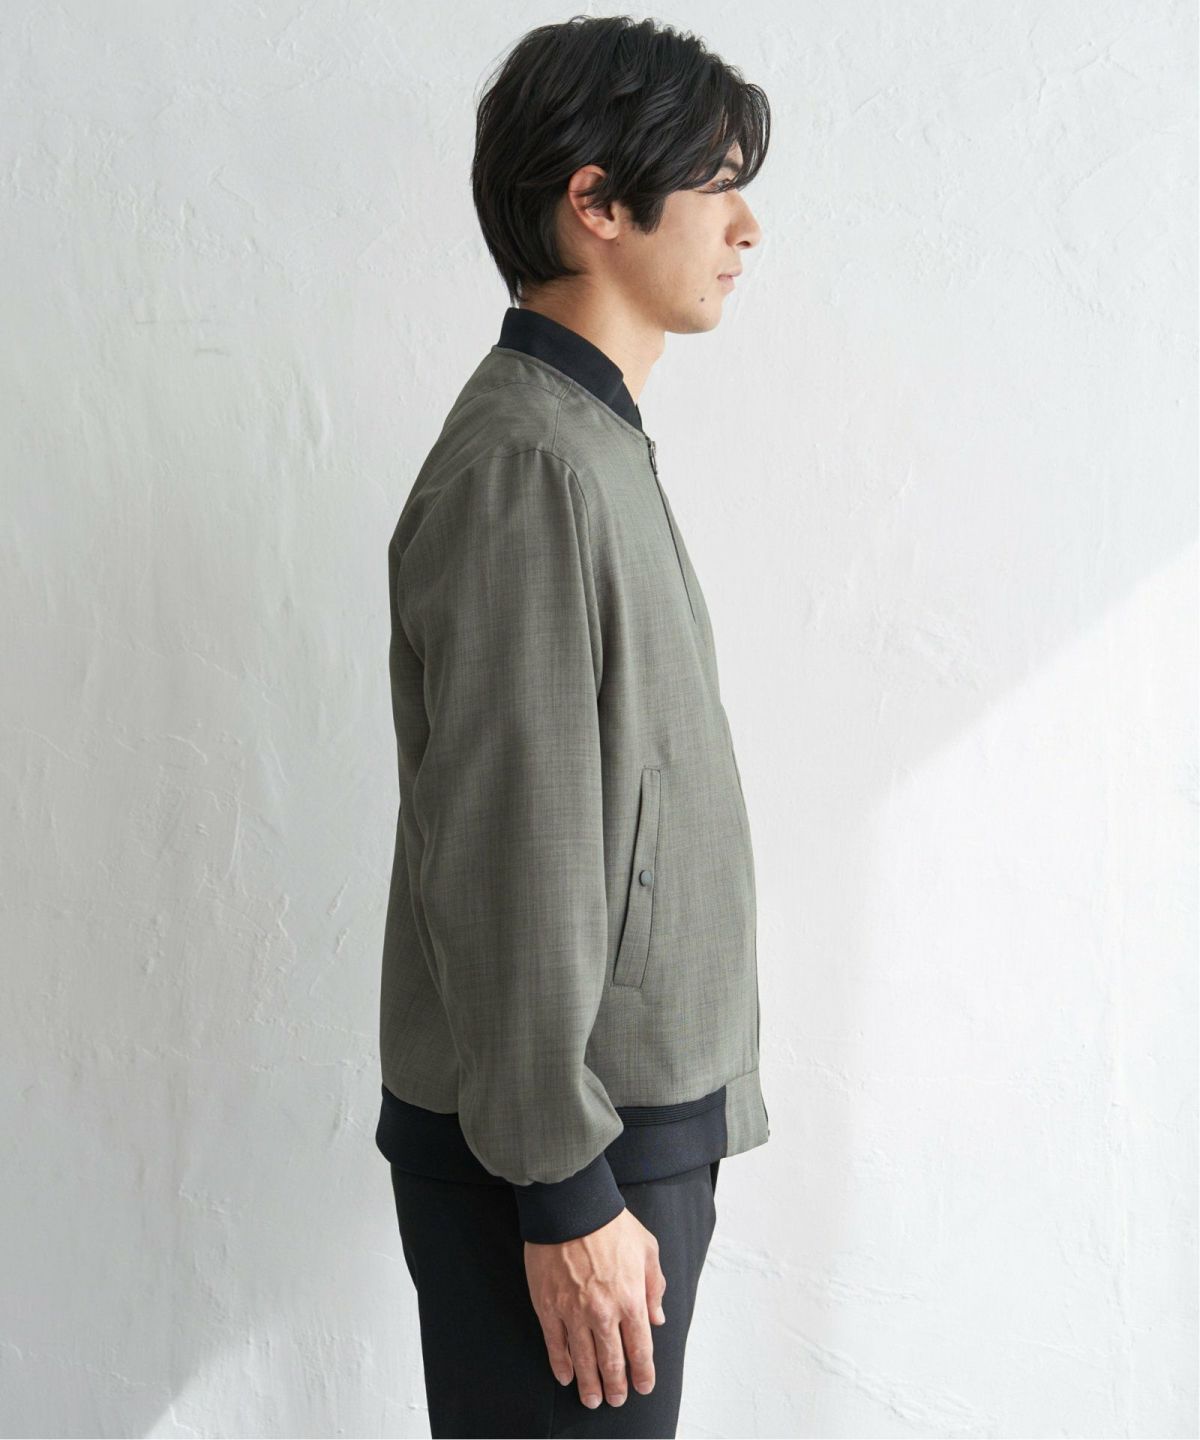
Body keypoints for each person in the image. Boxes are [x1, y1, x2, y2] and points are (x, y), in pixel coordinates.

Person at [374, 15, 771, 1436]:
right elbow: (513, 848)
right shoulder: (532, 467)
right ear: (597, 202)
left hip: (606, 1131)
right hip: (569, 1151)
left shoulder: (584, 442)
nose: (747, 227)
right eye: (717, 183)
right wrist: (562, 1185)